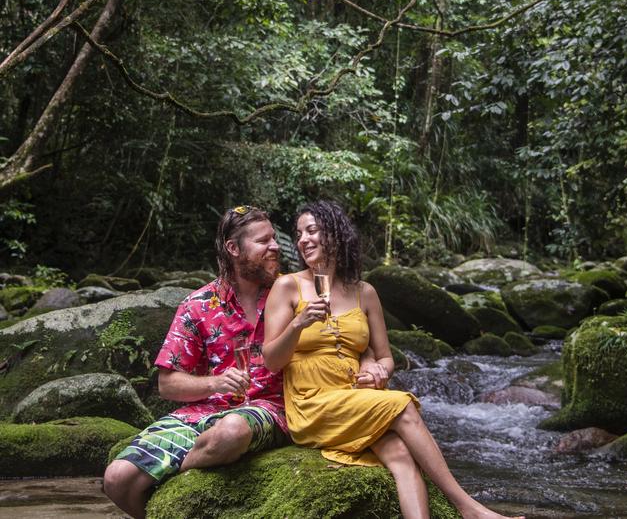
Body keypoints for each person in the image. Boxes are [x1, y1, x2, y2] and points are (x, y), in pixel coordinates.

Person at [263, 200, 525, 519]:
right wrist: (298, 324)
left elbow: (387, 358)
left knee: (401, 455)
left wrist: (376, 370)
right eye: (299, 233)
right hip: (313, 402)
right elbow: (272, 360)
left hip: (356, 397)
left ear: (335, 235)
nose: (303, 239)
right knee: (401, 405)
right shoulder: (288, 286)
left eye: (312, 230)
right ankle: (467, 507)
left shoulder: (365, 292)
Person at [103, 206, 289, 519]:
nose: (276, 246)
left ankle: (172, 488)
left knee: (229, 432)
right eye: (263, 241)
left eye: (274, 238)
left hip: (270, 408)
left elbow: (349, 325)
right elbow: (167, 384)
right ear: (233, 248)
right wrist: (215, 383)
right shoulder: (199, 305)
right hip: (202, 413)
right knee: (117, 478)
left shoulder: (293, 292)